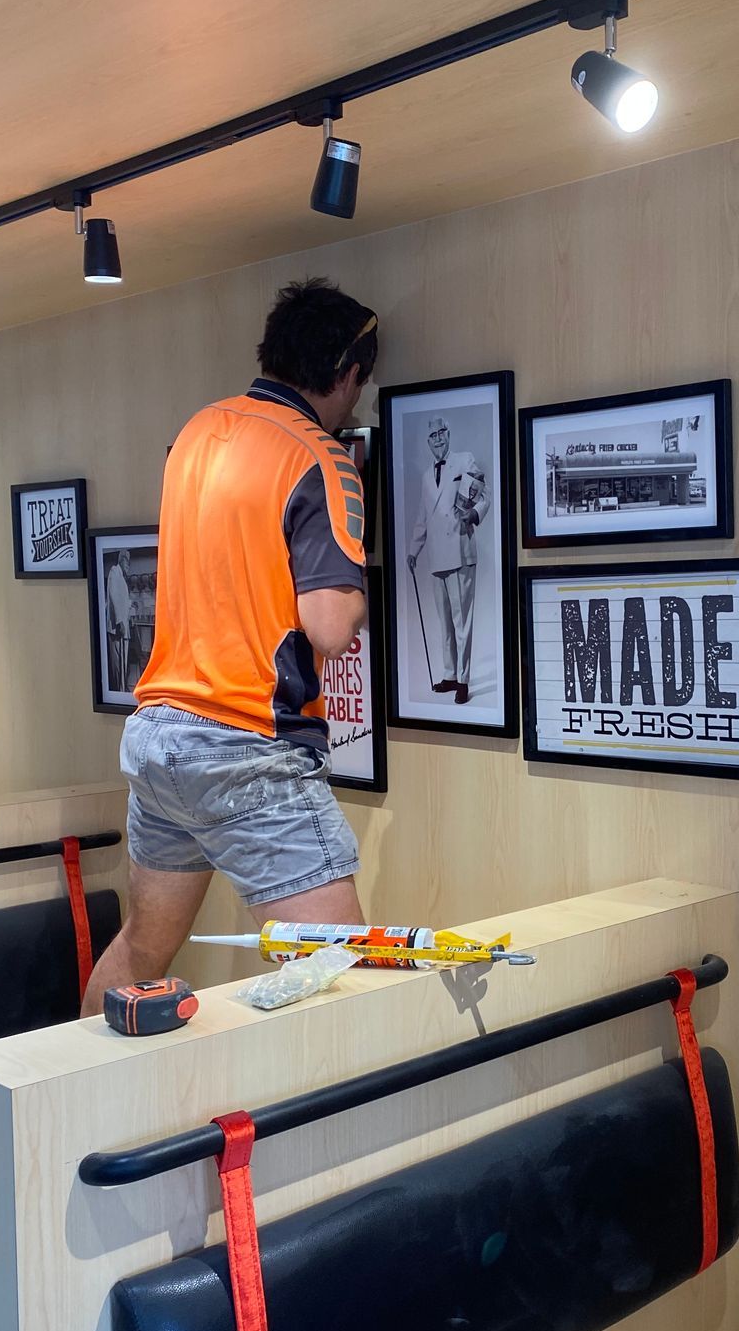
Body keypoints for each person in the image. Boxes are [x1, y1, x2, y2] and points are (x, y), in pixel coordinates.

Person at [80, 278, 379, 1015]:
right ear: (345, 374)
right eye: (359, 384)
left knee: (142, 951)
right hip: (242, 746)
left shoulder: (197, 434)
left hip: (159, 738)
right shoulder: (321, 455)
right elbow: (331, 628)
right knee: (342, 976)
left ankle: (60, 1100)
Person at [408, 414, 489, 703]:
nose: (438, 438)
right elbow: (422, 516)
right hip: (436, 556)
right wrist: (413, 550)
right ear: (428, 441)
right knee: (445, 622)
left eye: (442, 432)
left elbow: (484, 495)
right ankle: (450, 675)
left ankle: (464, 680)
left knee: (461, 620)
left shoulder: (464, 460)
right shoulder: (426, 476)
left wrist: (474, 513)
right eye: (433, 435)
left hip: (460, 551)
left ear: (449, 434)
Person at [104, 551, 133, 690]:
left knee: (123, 662)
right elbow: (114, 597)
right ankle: (119, 690)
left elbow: (123, 602)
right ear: (121, 560)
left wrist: (129, 614)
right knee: (117, 663)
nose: (129, 565)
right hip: (117, 628)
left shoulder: (122, 578)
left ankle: (122, 689)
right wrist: (120, 621)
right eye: (127, 561)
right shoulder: (114, 572)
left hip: (123, 628)